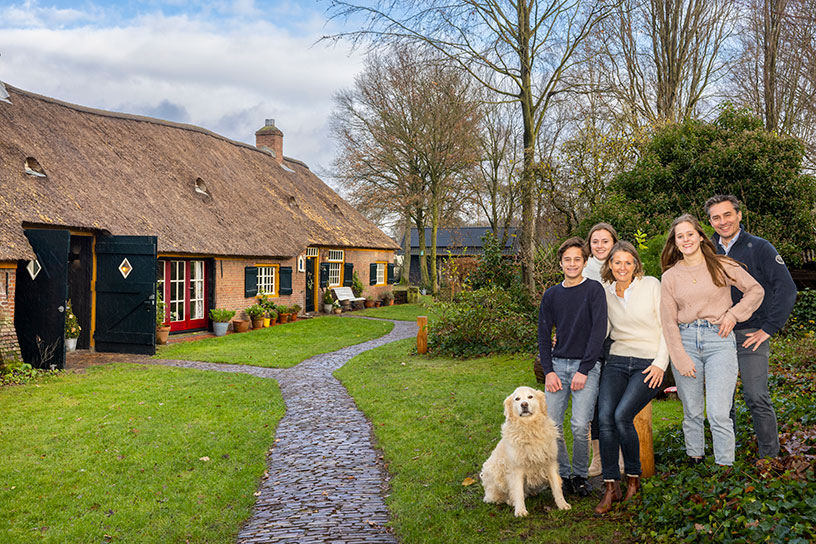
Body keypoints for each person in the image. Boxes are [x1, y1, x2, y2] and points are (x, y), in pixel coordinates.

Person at [659, 214, 764, 466]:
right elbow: (668, 321)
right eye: (680, 236)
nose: (685, 240)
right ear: (674, 242)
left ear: (700, 236)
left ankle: (724, 466)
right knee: (692, 411)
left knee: (718, 411)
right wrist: (679, 357)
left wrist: (733, 315)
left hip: (719, 340)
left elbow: (755, 290)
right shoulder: (670, 277)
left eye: (690, 234)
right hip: (685, 341)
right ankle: (695, 459)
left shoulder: (721, 265)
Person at [705, 195, 797, 458]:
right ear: (710, 221)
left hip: (750, 334)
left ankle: (770, 458)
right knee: (722, 403)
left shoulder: (760, 248)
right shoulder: (706, 252)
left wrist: (768, 328)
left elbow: (787, 289)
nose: (722, 222)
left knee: (756, 396)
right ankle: (726, 458)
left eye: (727, 215)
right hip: (715, 336)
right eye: (716, 217)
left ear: (739, 215)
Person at [594, 241, 669, 514]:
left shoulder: (651, 285)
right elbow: (604, 330)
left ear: (636, 264)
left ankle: (634, 481)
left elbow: (666, 326)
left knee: (621, 416)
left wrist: (661, 364)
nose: (622, 267)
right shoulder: (605, 292)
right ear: (609, 266)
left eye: (627, 262)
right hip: (617, 360)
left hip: (648, 363)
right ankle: (610, 486)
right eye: (617, 263)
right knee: (604, 419)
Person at [538, 237, 607, 497]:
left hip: (586, 367)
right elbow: (544, 336)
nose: (572, 263)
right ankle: (564, 474)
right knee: (553, 425)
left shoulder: (594, 291)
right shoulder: (552, 294)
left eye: (577, 259)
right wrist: (549, 371)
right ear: (560, 263)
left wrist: (584, 369)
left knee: (579, 425)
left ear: (585, 262)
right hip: (558, 366)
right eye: (567, 259)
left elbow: (598, 332)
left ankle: (579, 475)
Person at [582, 222, 619, 477]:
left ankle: (619, 455)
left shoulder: (622, 265)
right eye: (595, 241)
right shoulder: (584, 270)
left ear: (614, 243)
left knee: (615, 399)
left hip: (620, 339)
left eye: (605, 241)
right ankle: (597, 459)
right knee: (594, 399)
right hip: (592, 341)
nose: (600, 246)